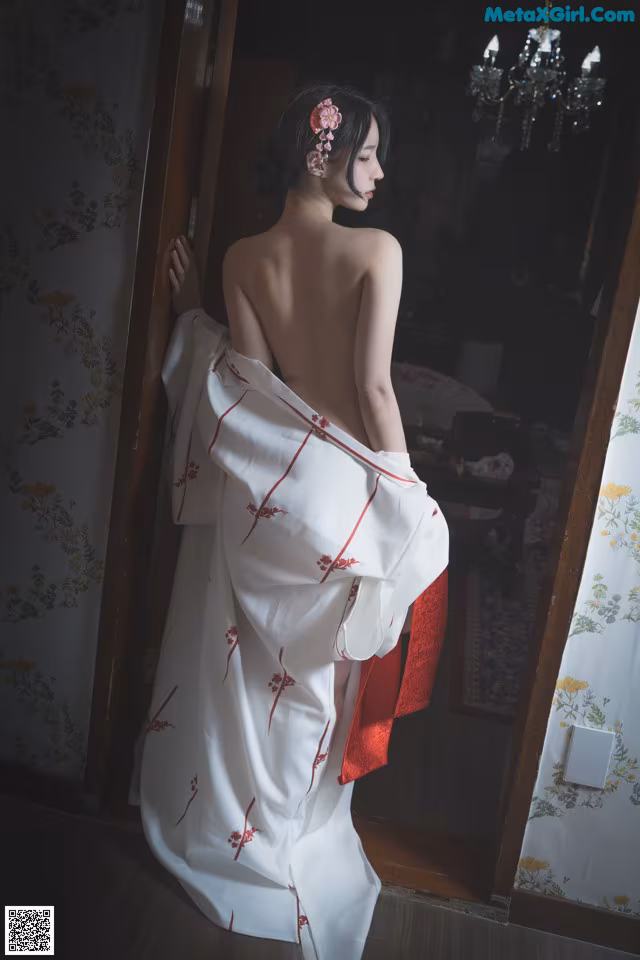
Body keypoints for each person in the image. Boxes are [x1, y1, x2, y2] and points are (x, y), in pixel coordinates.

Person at [135, 83, 449, 960]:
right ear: (322, 152)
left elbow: (247, 387)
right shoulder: (375, 250)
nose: (381, 172)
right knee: (315, 689)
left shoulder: (239, 258)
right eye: (369, 152)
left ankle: (242, 837)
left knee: (250, 682)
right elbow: (376, 388)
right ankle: (288, 838)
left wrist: (181, 319)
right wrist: (408, 494)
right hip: (346, 493)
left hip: (275, 499)